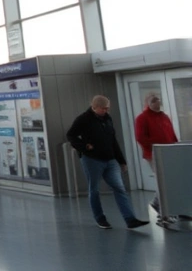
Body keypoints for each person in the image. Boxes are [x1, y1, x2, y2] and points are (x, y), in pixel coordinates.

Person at [67, 95, 149, 230]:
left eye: (107, 108)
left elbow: (113, 140)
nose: (106, 111)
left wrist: (121, 160)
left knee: (119, 188)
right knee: (94, 190)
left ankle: (130, 219)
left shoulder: (107, 119)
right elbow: (71, 135)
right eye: (103, 108)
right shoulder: (83, 119)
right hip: (92, 160)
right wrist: (84, 146)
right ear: (95, 108)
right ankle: (100, 218)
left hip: (110, 160)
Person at [134, 93, 179, 224]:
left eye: (158, 100)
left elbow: (171, 134)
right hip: (154, 154)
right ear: (148, 103)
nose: (158, 102)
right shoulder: (142, 118)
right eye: (154, 100)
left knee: (170, 180)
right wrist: (155, 147)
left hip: (169, 153)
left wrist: (175, 146)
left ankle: (157, 203)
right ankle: (163, 211)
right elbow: (141, 137)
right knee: (163, 181)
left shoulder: (164, 117)